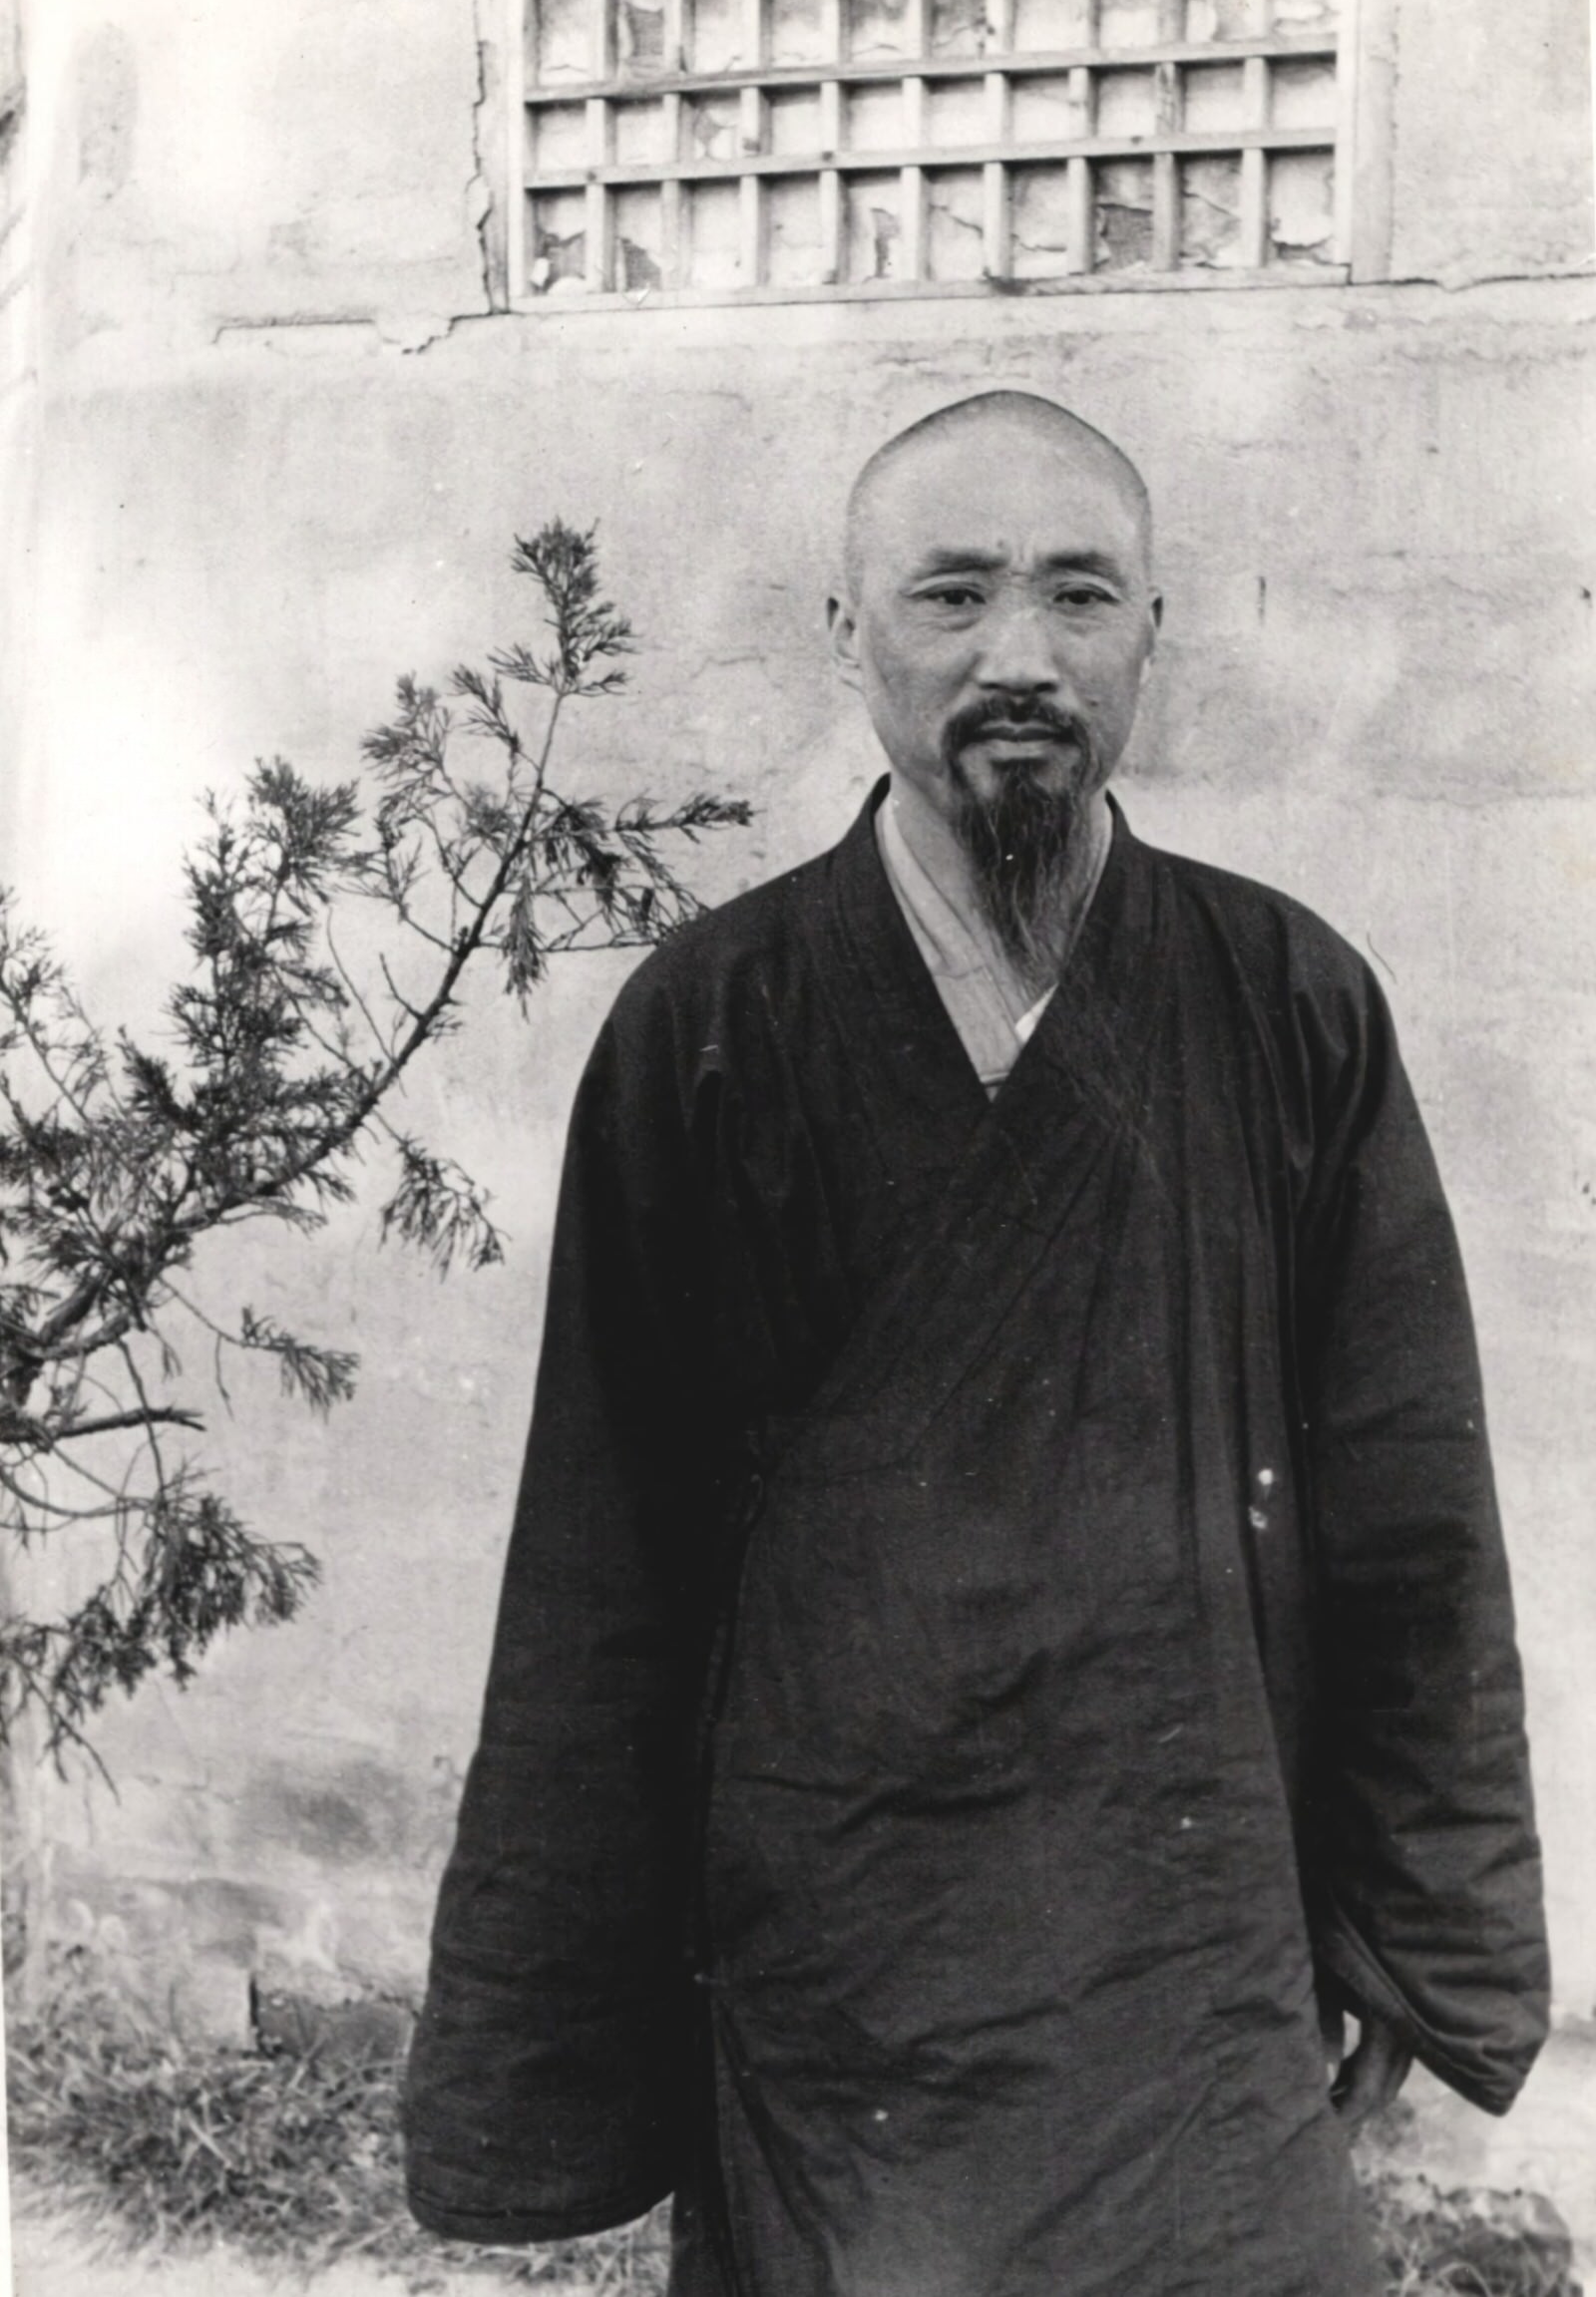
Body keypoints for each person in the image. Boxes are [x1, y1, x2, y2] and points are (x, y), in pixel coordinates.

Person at [402, 392, 1549, 2296]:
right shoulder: (709, 1029)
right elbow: (609, 1565)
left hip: (1186, 1945)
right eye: (953, 594)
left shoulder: (1288, 1004)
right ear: (846, 632)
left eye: (1079, 594)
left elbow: (1411, 1513)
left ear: (1153, 632)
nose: (1021, 654)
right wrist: (569, 2032)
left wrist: (1404, 1920)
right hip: (837, 1950)